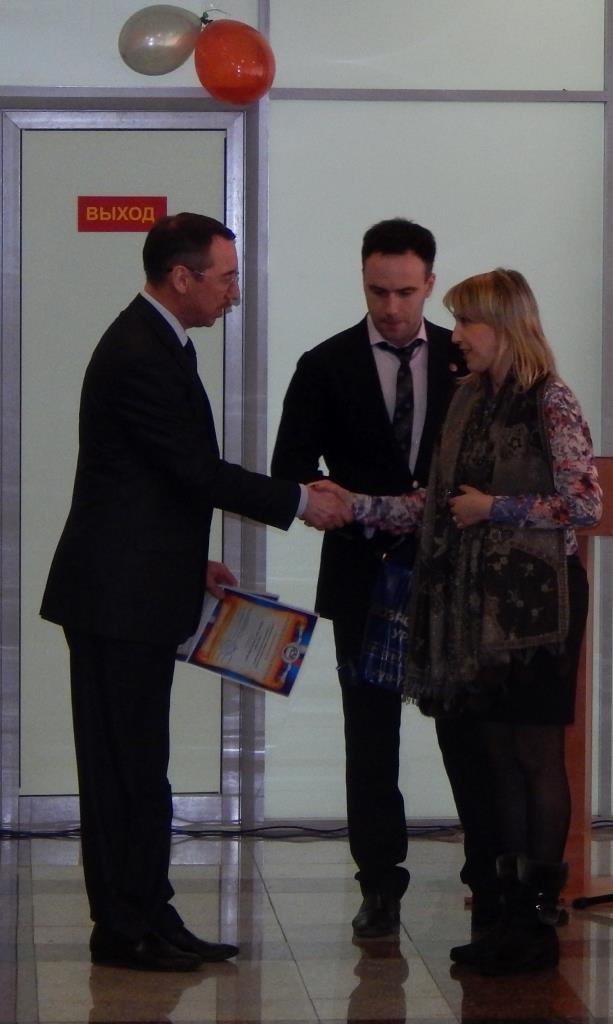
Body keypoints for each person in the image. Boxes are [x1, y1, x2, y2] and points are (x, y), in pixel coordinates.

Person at [40, 212, 349, 973]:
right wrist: (299, 500)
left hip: (137, 589)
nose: (235, 292)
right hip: (115, 600)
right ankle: (123, 928)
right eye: (226, 277)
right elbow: (194, 471)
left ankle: (151, 912)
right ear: (182, 278)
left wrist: (190, 564)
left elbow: (150, 483)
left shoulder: (159, 342)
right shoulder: (138, 352)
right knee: (122, 770)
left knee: (141, 766)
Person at [342, 268, 602, 973]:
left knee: (534, 755)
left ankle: (539, 917)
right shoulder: (468, 399)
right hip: (477, 611)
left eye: (466, 322)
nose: (454, 335)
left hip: (539, 608)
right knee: (496, 758)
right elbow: (435, 504)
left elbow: (583, 503)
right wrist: (356, 506)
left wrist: (496, 509)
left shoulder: (550, 399)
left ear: (506, 326)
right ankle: (507, 911)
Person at [271, 218, 496, 940]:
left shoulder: (466, 357)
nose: (391, 307)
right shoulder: (325, 363)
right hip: (361, 574)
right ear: (362, 282)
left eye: (404, 292)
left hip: (452, 579)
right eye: (377, 291)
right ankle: (378, 882)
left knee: (465, 730)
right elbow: (288, 468)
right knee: (369, 737)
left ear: (429, 284)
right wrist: (333, 501)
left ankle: (488, 875)